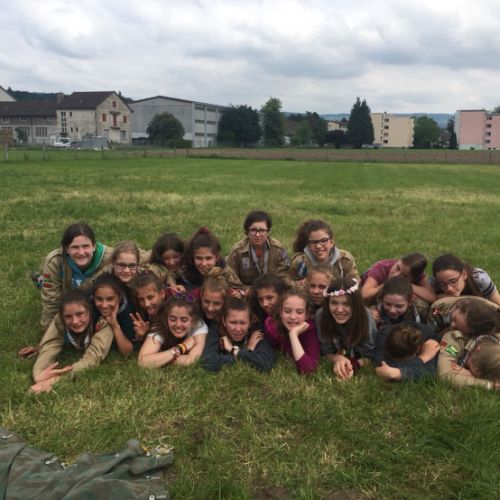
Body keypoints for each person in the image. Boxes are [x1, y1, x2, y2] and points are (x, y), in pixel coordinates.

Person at [28, 289, 113, 393]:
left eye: (80, 314)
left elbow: (92, 358)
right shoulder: (60, 319)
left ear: (89, 311)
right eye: (68, 316)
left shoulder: (103, 322)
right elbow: (50, 344)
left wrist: (55, 381)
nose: (75, 321)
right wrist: (39, 374)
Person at [36, 222, 113, 330]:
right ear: (67, 248)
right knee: (47, 286)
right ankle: (41, 281)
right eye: (75, 247)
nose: (81, 252)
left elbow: (136, 260)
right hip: (68, 295)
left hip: (93, 295)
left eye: (85, 246)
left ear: (94, 246)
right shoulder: (54, 261)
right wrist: (49, 329)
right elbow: (51, 301)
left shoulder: (110, 257)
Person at [316, 277, 376, 380]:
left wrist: (352, 364)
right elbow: (326, 351)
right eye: (334, 303)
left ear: (356, 304)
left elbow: (371, 355)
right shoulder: (321, 316)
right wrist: (337, 358)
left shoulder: (365, 317)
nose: (339, 310)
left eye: (346, 304)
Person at [438, 298, 500, 390]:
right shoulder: (455, 338)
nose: (451, 325)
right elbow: (446, 376)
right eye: (470, 363)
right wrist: (490, 385)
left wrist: (475, 377)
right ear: (478, 348)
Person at [201, 297, 275, 372]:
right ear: (224, 321)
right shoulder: (216, 327)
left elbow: (266, 363)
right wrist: (246, 352)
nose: (238, 329)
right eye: (233, 323)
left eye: (243, 323)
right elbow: (208, 361)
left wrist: (233, 350)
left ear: (250, 322)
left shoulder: (257, 331)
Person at [137, 294, 208, 368]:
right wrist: (181, 347)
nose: (178, 324)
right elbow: (142, 362)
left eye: (184, 320)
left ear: (193, 321)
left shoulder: (199, 326)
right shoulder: (159, 326)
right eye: (173, 319)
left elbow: (190, 361)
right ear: (166, 318)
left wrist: (161, 359)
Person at [226, 210, 290, 286]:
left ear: (268, 231)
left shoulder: (278, 250)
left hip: (272, 290)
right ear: (247, 231)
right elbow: (229, 278)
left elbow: (284, 277)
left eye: (262, 230)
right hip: (245, 291)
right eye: (253, 230)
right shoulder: (237, 252)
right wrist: (245, 290)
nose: (258, 235)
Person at [264, 288, 320, 374]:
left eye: (299, 312)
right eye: (287, 311)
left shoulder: (310, 331)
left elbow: (308, 370)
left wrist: (293, 335)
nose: (293, 317)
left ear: (307, 315)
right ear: (280, 312)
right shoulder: (271, 326)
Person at [289, 219, 358, 284]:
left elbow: (355, 285)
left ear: (331, 242)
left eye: (323, 240)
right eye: (313, 242)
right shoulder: (300, 262)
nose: (318, 246)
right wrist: (301, 285)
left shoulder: (345, 260)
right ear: (308, 245)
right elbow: (289, 285)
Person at [181, 227, 244, 294]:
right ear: (192, 257)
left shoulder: (225, 271)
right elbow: (173, 273)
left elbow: (241, 289)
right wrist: (173, 284)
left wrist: (238, 293)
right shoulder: (185, 268)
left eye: (208, 258)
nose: (204, 263)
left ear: (216, 257)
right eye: (199, 258)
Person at [374, 322, 440, 382]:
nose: (397, 364)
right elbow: (382, 364)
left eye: (402, 362)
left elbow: (429, 373)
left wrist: (397, 373)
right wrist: (422, 358)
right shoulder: (385, 333)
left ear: (418, 349)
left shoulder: (431, 344)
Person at [361, 252, 436, 304]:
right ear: (398, 260)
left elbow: (432, 297)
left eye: (404, 276)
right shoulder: (382, 268)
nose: (396, 275)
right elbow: (364, 294)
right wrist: (386, 285)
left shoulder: (419, 275)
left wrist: (408, 286)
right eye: (397, 268)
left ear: (413, 278)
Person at [92, 273, 137, 356]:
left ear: (119, 298)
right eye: (99, 299)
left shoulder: (127, 311)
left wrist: (115, 325)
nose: (104, 305)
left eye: (110, 299)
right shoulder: (89, 306)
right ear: (93, 297)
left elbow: (127, 352)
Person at [432, 253, 500, 306]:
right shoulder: (435, 284)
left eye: (453, 281)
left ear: (464, 274)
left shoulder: (479, 278)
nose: (449, 288)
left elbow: (498, 303)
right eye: (443, 284)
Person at [129, 271, 166, 341]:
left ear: (162, 294)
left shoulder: (173, 312)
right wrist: (140, 336)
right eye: (141, 299)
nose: (146, 304)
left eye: (150, 297)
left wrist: (148, 333)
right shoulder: (140, 312)